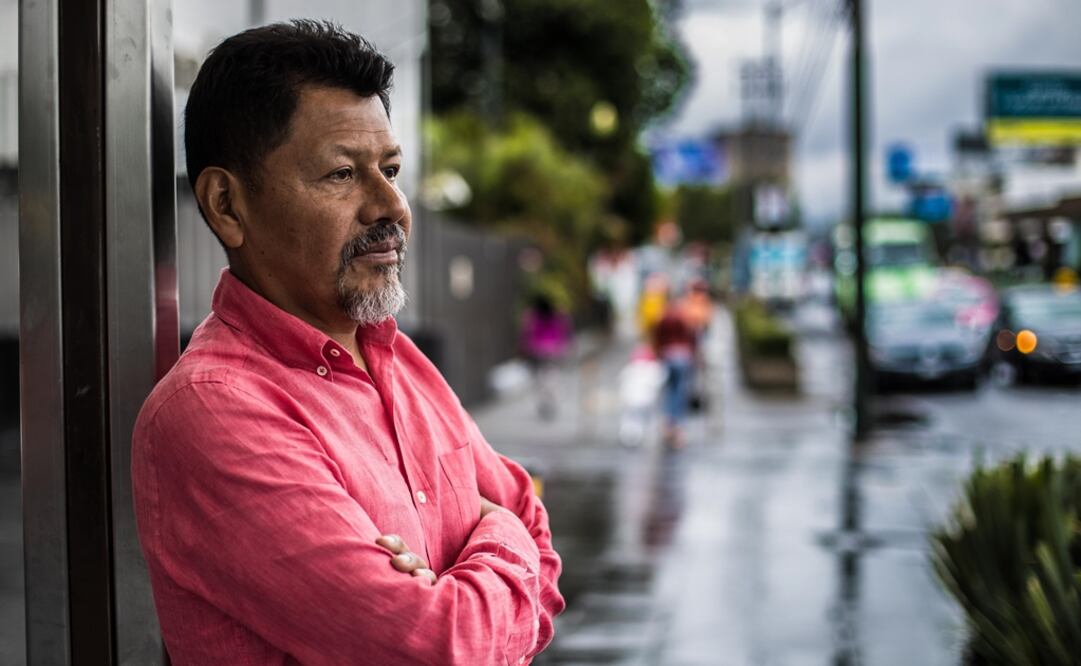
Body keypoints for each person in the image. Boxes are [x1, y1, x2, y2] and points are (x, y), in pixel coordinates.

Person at [131, 21, 563, 665]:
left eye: (390, 169)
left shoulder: (399, 360)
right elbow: (441, 650)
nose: (391, 205)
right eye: (341, 174)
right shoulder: (213, 411)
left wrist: (486, 544)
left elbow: (533, 516)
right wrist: (499, 538)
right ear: (226, 204)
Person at [651, 300, 698, 448]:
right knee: (680, 392)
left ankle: (669, 422)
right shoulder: (684, 318)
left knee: (670, 391)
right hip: (682, 357)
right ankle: (678, 427)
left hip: (668, 357)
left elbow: (657, 338)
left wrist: (658, 354)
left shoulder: (663, 318)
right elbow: (692, 338)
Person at [520, 293, 573, 420]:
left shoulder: (534, 317)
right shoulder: (557, 315)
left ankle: (545, 401)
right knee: (552, 377)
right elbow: (565, 330)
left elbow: (527, 333)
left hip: (539, 351)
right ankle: (550, 400)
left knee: (541, 379)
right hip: (554, 351)